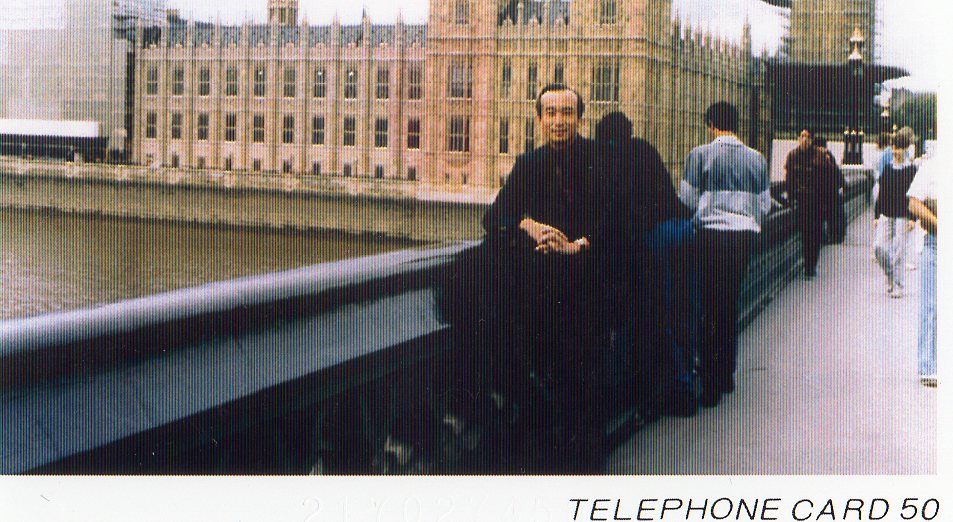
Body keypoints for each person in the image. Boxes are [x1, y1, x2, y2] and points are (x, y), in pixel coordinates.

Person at [481, 83, 605, 473]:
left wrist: (578, 245)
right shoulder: (529, 164)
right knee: (544, 385)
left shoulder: (602, 161)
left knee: (584, 386)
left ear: (580, 118)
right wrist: (527, 223)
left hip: (588, 293)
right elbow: (493, 218)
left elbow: (621, 223)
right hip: (540, 296)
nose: (558, 121)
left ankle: (586, 471)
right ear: (539, 119)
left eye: (566, 112)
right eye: (550, 113)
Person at [594, 112, 693, 422]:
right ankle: (686, 380)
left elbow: (618, 211)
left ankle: (663, 392)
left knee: (649, 316)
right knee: (682, 309)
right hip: (682, 228)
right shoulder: (644, 148)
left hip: (654, 237)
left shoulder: (607, 158)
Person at [679, 102, 770, 408]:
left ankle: (710, 385)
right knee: (729, 305)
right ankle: (727, 372)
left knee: (708, 309)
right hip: (743, 238)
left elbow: (687, 201)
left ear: (711, 125)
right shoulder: (757, 159)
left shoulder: (699, 155)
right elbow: (764, 205)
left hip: (709, 237)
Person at [784, 128, 835, 277]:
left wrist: (827, 203)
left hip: (817, 202)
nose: (804, 139)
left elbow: (828, 180)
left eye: (807, 137)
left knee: (816, 234)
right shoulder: (792, 156)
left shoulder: (820, 156)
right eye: (802, 136)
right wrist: (790, 198)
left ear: (812, 140)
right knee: (805, 234)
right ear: (798, 138)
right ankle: (808, 265)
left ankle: (811, 264)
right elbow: (789, 179)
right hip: (801, 201)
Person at [906, 153, 938, 387]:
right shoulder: (931, 167)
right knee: (932, 306)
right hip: (936, 243)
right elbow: (914, 203)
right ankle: (928, 366)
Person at [874, 131, 918, 298]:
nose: (895, 151)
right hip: (886, 214)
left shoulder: (911, 170)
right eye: (894, 147)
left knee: (899, 251)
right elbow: (881, 193)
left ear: (905, 149)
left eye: (899, 148)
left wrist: (913, 218)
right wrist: (876, 215)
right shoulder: (887, 168)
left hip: (903, 216)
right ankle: (890, 273)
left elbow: (914, 195)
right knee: (878, 247)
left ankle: (898, 284)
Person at [814, 137, 846, 244]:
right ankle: (837, 236)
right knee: (835, 215)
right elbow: (838, 174)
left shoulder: (821, 157)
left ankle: (831, 237)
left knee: (830, 216)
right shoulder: (830, 156)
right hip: (833, 191)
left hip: (827, 192)